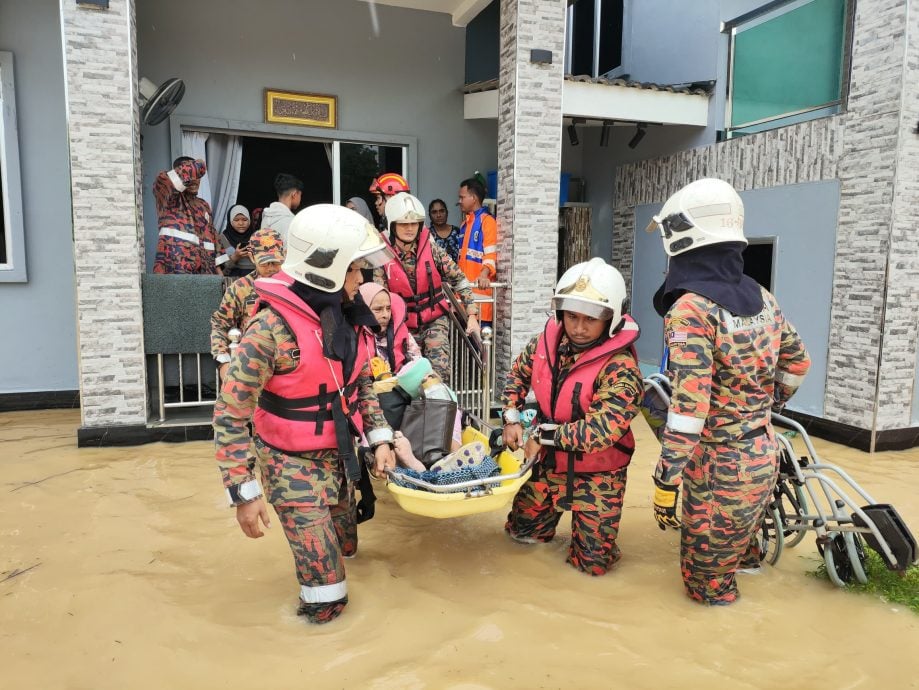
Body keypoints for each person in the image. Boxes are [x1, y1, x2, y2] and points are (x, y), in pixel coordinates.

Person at [213, 205, 397, 625]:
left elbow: (360, 386)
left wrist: (381, 438)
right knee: (328, 590)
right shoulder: (267, 330)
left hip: (339, 458)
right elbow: (229, 414)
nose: (361, 279)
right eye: (354, 270)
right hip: (288, 463)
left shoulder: (345, 318)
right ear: (329, 270)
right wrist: (243, 492)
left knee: (349, 548)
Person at [646, 178, 811, 606]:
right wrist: (767, 404)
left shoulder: (690, 310)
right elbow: (797, 363)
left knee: (708, 592)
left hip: (718, 471)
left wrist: (666, 477)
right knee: (745, 562)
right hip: (762, 458)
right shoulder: (761, 296)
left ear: (682, 240)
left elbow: (689, 409)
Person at [501, 258, 643, 575]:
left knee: (591, 568)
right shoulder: (545, 345)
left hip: (598, 476)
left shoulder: (621, 369)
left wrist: (539, 436)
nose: (578, 328)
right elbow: (517, 377)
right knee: (521, 537)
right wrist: (511, 416)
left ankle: (597, 542)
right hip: (548, 464)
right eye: (571, 317)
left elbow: (598, 432)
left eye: (590, 319)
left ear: (612, 318)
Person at [376, 192, 481, 382]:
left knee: (440, 371)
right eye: (403, 224)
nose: (409, 228)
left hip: (434, 319)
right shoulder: (382, 255)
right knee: (407, 375)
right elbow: (378, 293)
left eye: (414, 223)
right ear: (392, 225)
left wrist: (472, 314)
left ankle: (440, 409)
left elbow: (459, 279)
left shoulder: (431, 248)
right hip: (402, 324)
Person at [210, 228, 285, 379]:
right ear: (252, 257)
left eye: (276, 263)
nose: (271, 268)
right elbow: (220, 325)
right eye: (264, 263)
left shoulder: (294, 286)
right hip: (252, 367)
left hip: (288, 369)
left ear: (285, 255)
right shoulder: (240, 288)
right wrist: (224, 363)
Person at [152, 156, 224, 274]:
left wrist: (219, 274)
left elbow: (214, 239)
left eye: (198, 177)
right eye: (192, 177)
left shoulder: (203, 205)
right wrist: (199, 166)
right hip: (175, 268)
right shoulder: (167, 196)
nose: (195, 181)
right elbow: (168, 180)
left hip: (206, 273)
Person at [457, 178, 498, 324]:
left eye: (462, 197)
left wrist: (484, 274)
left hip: (481, 303)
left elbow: (491, 254)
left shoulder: (488, 222)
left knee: (480, 346)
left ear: (473, 198)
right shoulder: (464, 224)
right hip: (463, 304)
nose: (459, 201)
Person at [260, 173, 304, 243]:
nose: (300, 199)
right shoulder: (291, 222)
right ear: (294, 194)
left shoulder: (266, 216)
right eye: (300, 195)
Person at [219, 205, 257, 278]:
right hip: (232, 279)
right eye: (236, 220)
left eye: (244, 220)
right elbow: (219, 267)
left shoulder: (257, 236)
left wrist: (254, 254)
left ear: (249, 220)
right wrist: (235, 257)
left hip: (254, 278)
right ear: (230, 221)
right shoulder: (222, 238)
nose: (241, 223)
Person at [428, 198, 463, 263]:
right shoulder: (427, 235)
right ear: (430, 215)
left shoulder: (458, 232)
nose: (438, 215)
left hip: (458, 272)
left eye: (442, 211)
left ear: (447, 212)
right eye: (434, 212)